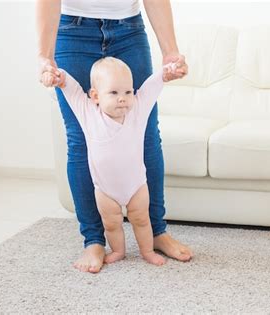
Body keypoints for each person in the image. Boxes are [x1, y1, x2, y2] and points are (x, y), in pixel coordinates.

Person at [36, 0, 194, 273]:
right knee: (80, 139)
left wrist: (170, 52)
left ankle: (157, 231)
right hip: (72, 31)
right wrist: (45, 56)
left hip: (129, 29)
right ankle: (94, 241)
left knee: (145, 134)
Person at [43, 57, 178, 266]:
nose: (122, 99)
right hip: (105, 190)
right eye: (114, 93)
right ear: (96, 96)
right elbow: (73, 91)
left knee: (141, 220)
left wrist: (164, 74)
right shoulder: (88, 113)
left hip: (136, 187)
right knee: (112, 224)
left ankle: (147, 250)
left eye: (127, 92)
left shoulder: (137, 112)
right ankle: (118, 251)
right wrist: (61, 78)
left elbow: (150, 89)